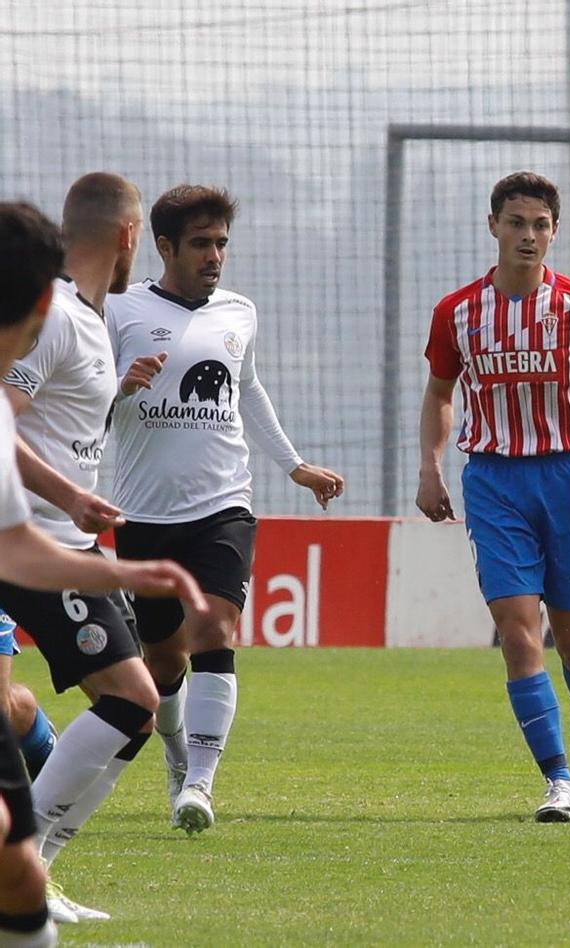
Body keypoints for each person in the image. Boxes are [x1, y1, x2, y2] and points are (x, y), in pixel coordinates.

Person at [105, 185, 345, 835]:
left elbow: (250, 389)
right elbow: (86, 401)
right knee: (163, 663)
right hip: (143, 514)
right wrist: (120, 388)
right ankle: (181, 759)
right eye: (202, 243)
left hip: (222, 506)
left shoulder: (239, 312)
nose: (216, 255)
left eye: (222, 243)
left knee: (215, 627)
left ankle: (202, 786)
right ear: (165, 247)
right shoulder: (119, 312)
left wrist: (293, 464)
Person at [0, 199, 208, 944]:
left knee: (134, 708)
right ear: (128, 236)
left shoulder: (87, 318)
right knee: (129, 700)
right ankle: (31, 867)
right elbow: (7, 410)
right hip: (37, 540)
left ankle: (38, 871)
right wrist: (67, 494)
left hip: (58, 543)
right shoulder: (51, 311)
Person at [417, 172, 570, 822]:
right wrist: (431, 464)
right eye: (517, 223)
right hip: (493, 481)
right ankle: (558, 781)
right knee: (518, 635)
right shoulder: (457, 312)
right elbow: (439, 394)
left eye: (541, 225)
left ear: (555, 233)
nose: (529, 236)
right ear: (493, 227)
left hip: (568, 482)